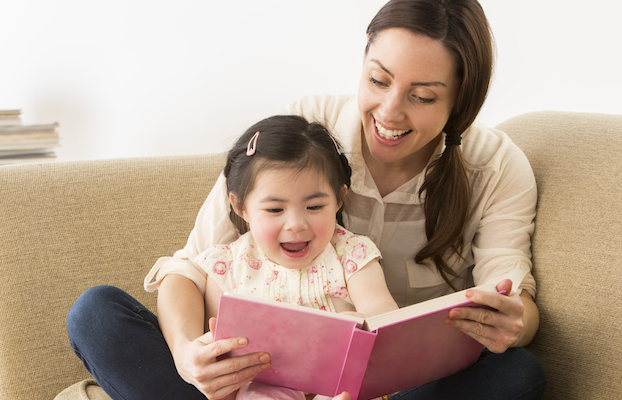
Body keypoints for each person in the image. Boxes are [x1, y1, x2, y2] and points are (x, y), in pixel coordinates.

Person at [67, 0, 547, 399]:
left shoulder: (496, 167)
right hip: (245, 385)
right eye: (378, 81)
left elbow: (513, 299)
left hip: (390, 389)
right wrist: (189, 357)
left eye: (422, 96)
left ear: (460, 100)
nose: (390, 111)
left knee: (517, 372)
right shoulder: (304, 132)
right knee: (97, 314)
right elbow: (189, 267)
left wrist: (511, 322)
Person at [197, 115, 399, 400]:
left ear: (339, 198)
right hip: (264, 386)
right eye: (275, 210)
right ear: (240, 206)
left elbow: (386, 316)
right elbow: (221, 358)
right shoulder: (227, 267)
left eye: (314, 206)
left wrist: (359, 322)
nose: (296, 224)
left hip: (339, 382)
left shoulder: (351, 253)